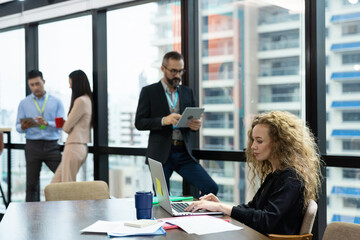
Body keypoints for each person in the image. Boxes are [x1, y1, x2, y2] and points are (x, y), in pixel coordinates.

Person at [185, 111, 322, 235]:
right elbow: (252, 208)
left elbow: (266, 221)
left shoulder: (291, 178)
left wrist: (221, 207)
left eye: (259, 141)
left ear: (279, 144)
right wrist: (220, 207)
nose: (252, 146)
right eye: (253, 140)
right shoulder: (276, 175)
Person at [135, 51, 218, 196]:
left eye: (181, 71)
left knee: (211, 188)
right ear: (163, 69)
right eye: (173, 71)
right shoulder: (149, 92)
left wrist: (195, 126)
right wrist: (163, 120)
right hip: (160, 155)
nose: (178, 75)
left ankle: (195, 214)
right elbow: (139, 122)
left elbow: (193, 122)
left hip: (183, 153)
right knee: (162, 198)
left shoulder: (187, 92)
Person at [16, 70, 65, 202]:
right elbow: (17, 127)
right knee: (31, 184)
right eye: (31, 85)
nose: (35, 87)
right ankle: (32, 218)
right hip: (32, 146)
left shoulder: (57, 102)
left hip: (52, 146)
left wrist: (46, 123)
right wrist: (23, 127)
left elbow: (61, 124)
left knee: (64, 178)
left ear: (43, 82)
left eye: (38, 83)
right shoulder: (24, 103)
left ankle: (65, 209)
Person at [51, 70, 93, 183]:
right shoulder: (88, 100)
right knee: (55, 185)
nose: (70, 87)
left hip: (74, 146)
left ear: (76, 84)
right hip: (79, 146)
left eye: (71, 83)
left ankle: (74, 202)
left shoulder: (80, 101)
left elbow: (66, 127)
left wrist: (65, 122)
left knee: (66, 185)